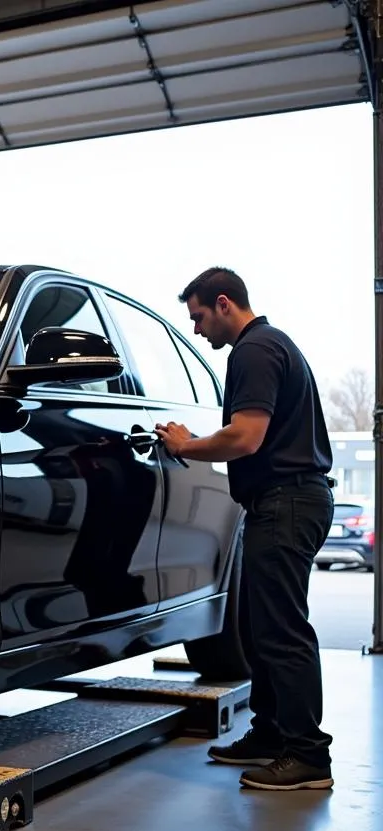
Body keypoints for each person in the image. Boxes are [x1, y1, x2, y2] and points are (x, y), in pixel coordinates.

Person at [154, 267, 335, 791]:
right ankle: (271, 733)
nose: (197, 330)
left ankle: (308, 757)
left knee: (282, 632)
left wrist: (187, 445)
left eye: (199, 317)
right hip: (284, 501)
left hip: (287, 502)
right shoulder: (271, 346)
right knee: (261, 626)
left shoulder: (253, 351)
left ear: (225, 303)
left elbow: (246, 437)